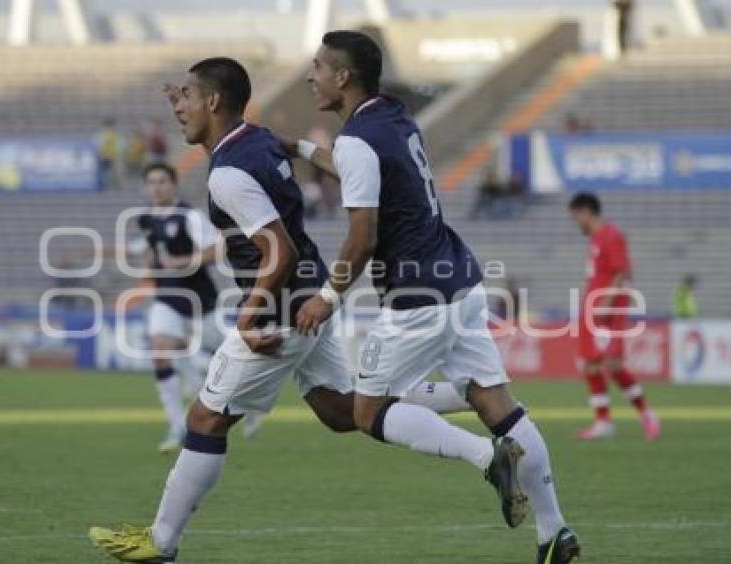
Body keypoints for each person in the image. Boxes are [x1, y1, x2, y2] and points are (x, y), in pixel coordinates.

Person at [89, 56, 476, 563]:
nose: (177, 107)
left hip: (281, 310)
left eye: (186, 96)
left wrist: (249, 316)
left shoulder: (228, 173)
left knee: (205, 419)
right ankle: (472, 392)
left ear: (214, 101)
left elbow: (278, 250)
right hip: (305, 297)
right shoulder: (258, 139)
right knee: (342, 411)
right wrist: (274, 135)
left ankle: (161, 543)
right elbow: (283, 155)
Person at [289, 31, 579, 563]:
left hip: (417, 295)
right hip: (461, 283)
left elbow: (362, 235)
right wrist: (304, 149)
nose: (311, 75)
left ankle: (486, 459)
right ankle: (554, 531)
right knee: (498, 403)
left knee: (367, 411)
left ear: (343, 77)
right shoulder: (395, 119)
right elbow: (358, 169)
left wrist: (327, 297)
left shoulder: (358, 139)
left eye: (318, 67)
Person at [134, 162, 264, 452]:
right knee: (159, 351)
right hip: (167, 297)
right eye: (151, 182)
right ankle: (176, 425)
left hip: (199, 300)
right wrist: (148, 267)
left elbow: (217, 250)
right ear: (145, 187)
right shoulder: (145, 218)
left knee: (234, 354)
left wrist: (181, 262)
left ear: (173, 185)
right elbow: (151, 250)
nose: (156, 187)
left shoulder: (189, 216)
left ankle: (252, 400)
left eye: (162, 182)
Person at [568, 192, 660, 441]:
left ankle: (647, 414)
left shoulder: (612, 235)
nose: (576, 222)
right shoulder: (596, 238)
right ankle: (603, 422)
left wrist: (607, 303)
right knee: (589, 364)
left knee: (612, 364)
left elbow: (622, 271)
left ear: (586, 211)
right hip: (593, 307)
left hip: (609, 310)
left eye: (576, 217)